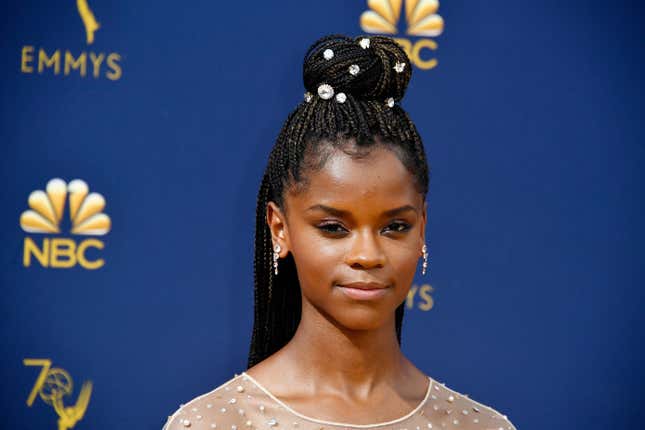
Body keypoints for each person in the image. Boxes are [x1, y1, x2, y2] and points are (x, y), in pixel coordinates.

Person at [164, 34, 517, 430]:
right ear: (280, 229)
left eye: (395, 226)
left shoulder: (481, 426)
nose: (367, 254)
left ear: (422, 229)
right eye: (333, 228)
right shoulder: (216, 422)